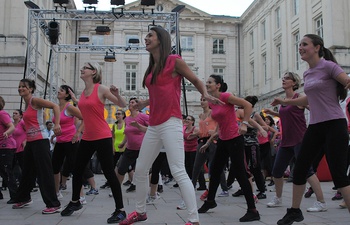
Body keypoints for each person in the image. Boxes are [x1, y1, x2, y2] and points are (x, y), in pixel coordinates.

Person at [118, 26, 221, 225]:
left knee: (178, 170)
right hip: (154, 125)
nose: (145, 38)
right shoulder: (150, 68)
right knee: (140, 169)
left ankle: (193, 219)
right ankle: (140, 212)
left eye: (150, 35)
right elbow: (158, 93)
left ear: (161, 39)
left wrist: (205, 94)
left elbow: (196, 79)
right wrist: (144, 104)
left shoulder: (174, 61)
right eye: (146, 35)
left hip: (171, 122)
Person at [272, 34, 350, 225]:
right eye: (299, 45)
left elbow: (346, 81)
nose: (301, 47)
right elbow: (309, 99)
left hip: (334, 124)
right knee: (299, 170)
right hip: (315, 126)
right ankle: (294, 212)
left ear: (317, 47)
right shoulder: (307, 73)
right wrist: (285, 101)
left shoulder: (329, 66)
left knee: (339, 175)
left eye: (304, 44)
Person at [60, 62, 127, 224]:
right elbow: (86, 113)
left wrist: (117, 94)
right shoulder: (83, 92)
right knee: (77, 170)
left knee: (109, 173)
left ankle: (121, 210)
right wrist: (76, 100)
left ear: (93, 72)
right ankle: (75, 202)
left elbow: (123, 105)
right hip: (88, 137)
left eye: (85, 68)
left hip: (102, 136)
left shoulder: (101, 88)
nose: (82, 69)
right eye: (81, 67)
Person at [197, 75, 260, 222]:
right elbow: (221, 122)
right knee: (215, 171)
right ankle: (210, 201)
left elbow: (247, 105)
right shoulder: (212, 102)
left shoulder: (226, 97)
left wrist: (244, 124)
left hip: (234, 139)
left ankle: (253, 210)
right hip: (223, 140)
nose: (207, 85)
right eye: (207, 82)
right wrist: (211, 139)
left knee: (240, 173)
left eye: (210, 82)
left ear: (218, 85)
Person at [264, 72, 327, 213]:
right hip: (286, 142)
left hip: (300, 140)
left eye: (287, 78)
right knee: (276, 171)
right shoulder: (284, 100)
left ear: (294, 83)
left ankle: (321, 202)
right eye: (283, 78)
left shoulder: (299, 98)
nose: (283, 80)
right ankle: (278, 198)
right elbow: (286, 114)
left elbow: (313, 108)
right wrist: (272, 113)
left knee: (308, 171)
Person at [12, 79, 61, 214]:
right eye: (19, 86)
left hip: (40, 141)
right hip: (31, 142)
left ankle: (54, 204)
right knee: (27, 171)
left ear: (31, 89)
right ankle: (24, 198)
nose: (21, 88)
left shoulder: (34, 101)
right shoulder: (26, 104)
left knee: (44, 172)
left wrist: (56, 124)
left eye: (24, 87)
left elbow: (55, 106)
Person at [51, 85, 84, 200]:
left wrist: (78, 132)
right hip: (60, 141)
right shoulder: (56, 107)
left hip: (71, 141)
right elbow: (59, 125)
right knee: (54, 167)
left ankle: (80, 195)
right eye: (59, 89)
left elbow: (85, 118)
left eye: (61, 90)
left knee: (76, 167)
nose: (58, 91)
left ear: (66, 95)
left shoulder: (69, 107)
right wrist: (54, 135)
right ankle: (56, 192)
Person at [115, 97, 148, 193]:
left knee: (145, 171)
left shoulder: (143, 116)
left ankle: (152, 191)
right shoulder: (127, 119)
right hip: (130, 148)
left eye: (132, 102)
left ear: (138, 106)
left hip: (142, 148)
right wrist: (123, 143)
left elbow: (152, 130)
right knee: (121, 169)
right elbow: (127, 132)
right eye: (129, 102)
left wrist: (139, 126)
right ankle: (117, 190)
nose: (130, 103)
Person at [0, 96, 17, 203]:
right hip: (2, 146)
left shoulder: (2, 114)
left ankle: (15, 196)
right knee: (3, 171)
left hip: (6, 146)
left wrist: (7, 132)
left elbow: (11, 126)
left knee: (7, 171)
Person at [11, 109, 26, 187]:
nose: (14, 115)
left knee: (23, 166)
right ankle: (8, 183)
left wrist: (25, 141)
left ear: (20, 115)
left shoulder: (22, 123)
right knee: (10, 167)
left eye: (16, 113)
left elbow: (28, 132)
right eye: (13, 113)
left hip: (21, 148)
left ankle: (26, 183)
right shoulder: (11, 124)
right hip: (12, 148)